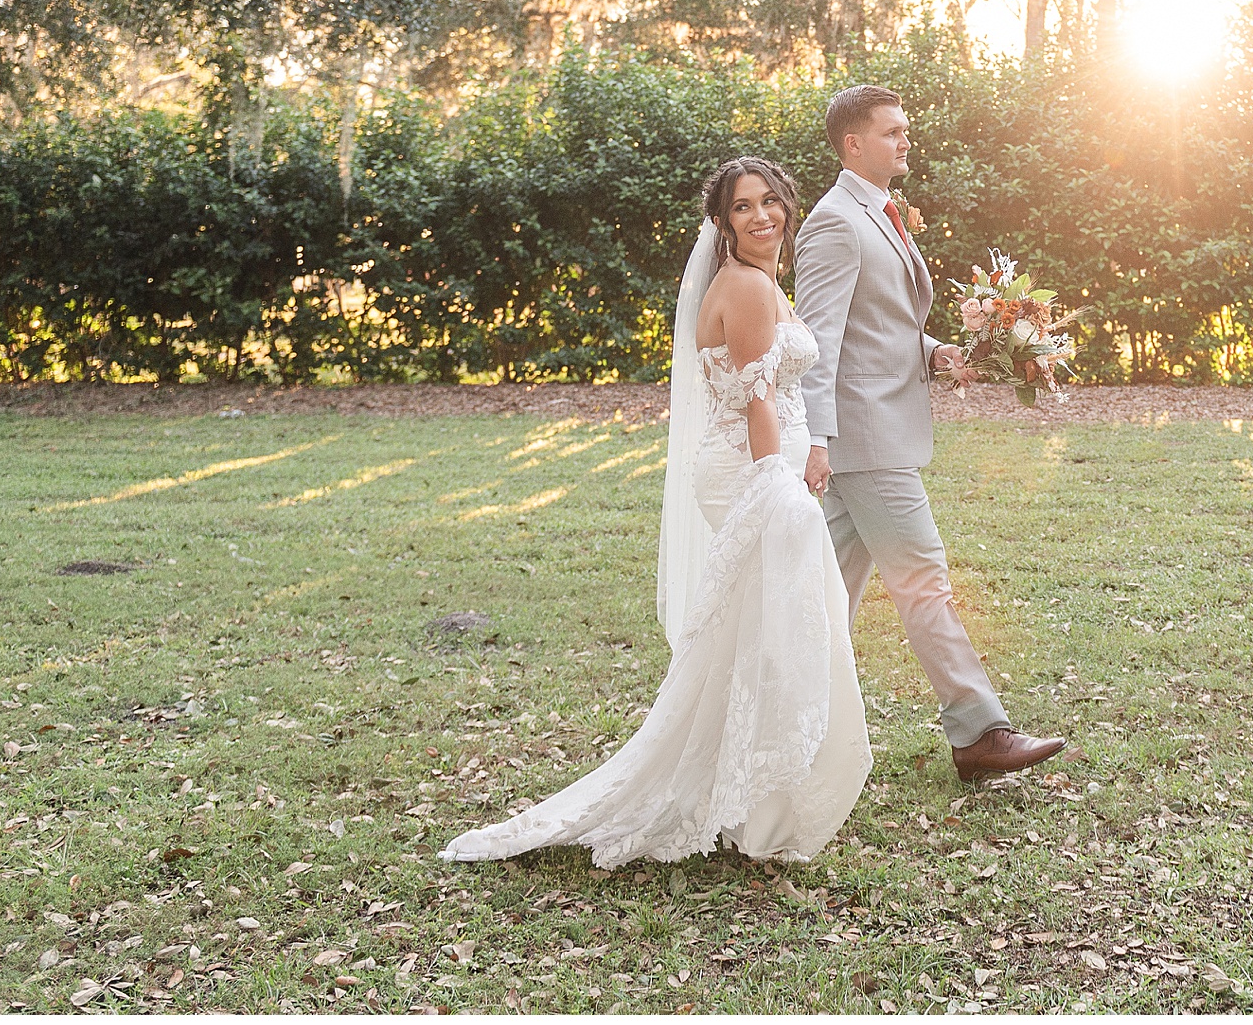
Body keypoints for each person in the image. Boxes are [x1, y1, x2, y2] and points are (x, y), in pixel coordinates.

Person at [440, 157, 869, 867]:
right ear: (723, 222)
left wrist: (801, 459)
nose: (760, 216)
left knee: (758, 636)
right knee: (768, 634)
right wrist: (775, 486)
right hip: (752, 474)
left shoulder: (762, 282)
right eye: (741, 208)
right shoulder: (748, 287)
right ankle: (749, 805)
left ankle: (752, 799)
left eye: (769, 202)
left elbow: (774, 393)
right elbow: (760, 398)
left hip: (767, 467)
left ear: (787, 206)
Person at [795, 85, 1068, 781]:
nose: (905, 141)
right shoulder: (834, 222)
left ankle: (777, 712)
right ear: (853, 144)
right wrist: (816, 438)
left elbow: (879, 325)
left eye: (905, 131)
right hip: (863, 436)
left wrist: (936, 351)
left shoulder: (879, 212)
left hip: (873, 429)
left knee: (818, 593)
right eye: (891, 133)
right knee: (923, 580)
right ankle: (979, 732)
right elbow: (819, 340)